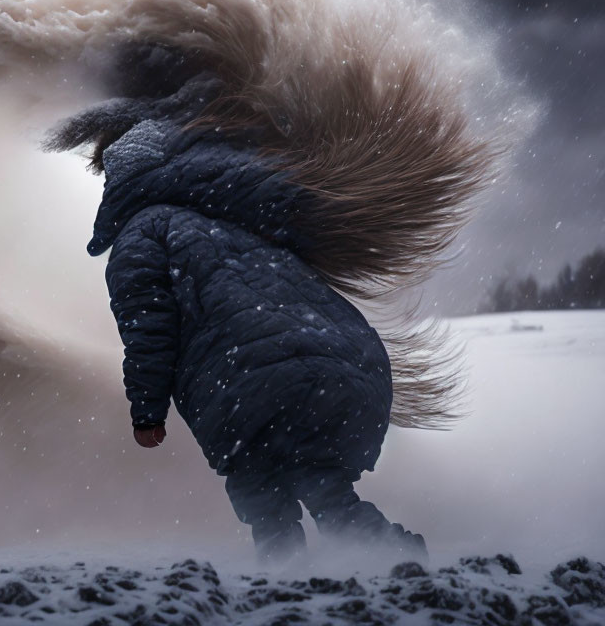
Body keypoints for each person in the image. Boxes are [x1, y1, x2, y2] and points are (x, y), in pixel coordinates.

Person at [43, 42, 493, 564]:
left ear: (120, 180)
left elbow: (149, 331)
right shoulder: (255, 212)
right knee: (326, 489)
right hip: (352, 368)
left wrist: (147, 412)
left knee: (265, 502)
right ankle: (394, 561)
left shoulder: (143, 235)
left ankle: (291, 582)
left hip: (256, 385)